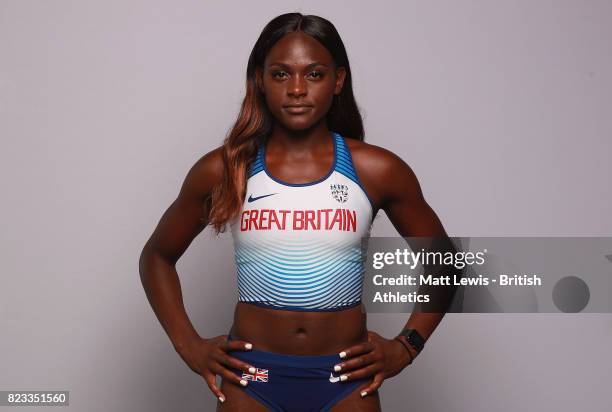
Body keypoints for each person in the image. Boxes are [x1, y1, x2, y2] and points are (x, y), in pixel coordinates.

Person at [139, 12, 455, 412]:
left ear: (338, 81)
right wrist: (190, 346)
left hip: (344, 378)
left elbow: (444, 262)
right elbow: (157, 258)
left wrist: (407, 346)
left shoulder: (377, 170)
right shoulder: (226, 168)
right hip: (251, 377)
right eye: (281, 74)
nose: (297, 89)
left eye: (315, 74)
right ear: (260, 80)